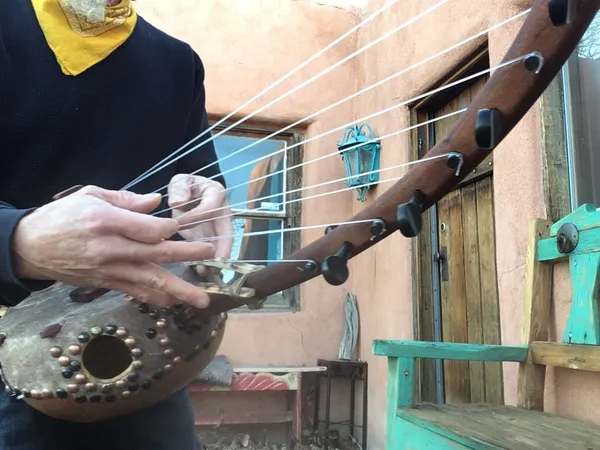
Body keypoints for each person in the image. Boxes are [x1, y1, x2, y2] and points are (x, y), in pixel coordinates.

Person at [0, 0, 233, 449]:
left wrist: (197, 205)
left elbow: (193, 195)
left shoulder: (176, 62)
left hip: (143, 365)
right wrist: (17, 239)